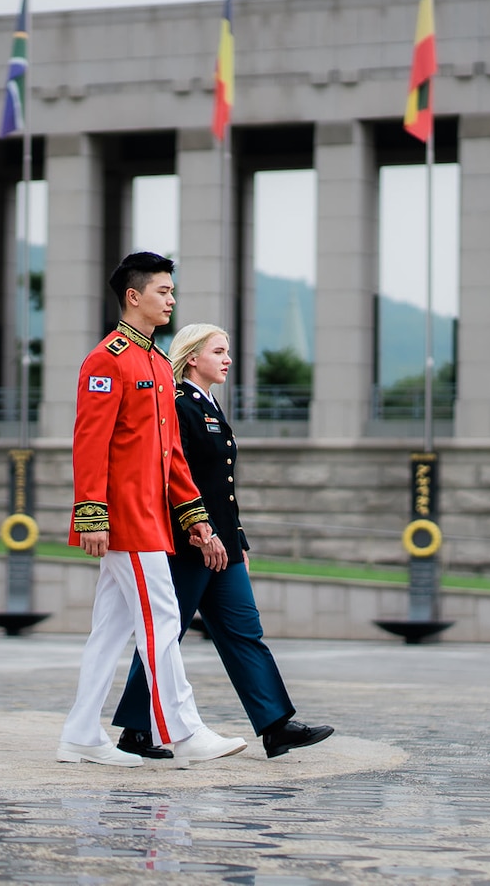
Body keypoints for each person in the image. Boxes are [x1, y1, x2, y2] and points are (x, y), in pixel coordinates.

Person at [111, 324, 335, 760]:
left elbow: (222, 487)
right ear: (193, 357)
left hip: (223, 545)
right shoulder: (178, 405)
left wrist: (238, 540)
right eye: (219, 351)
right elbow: (175, 480)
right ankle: (136, 730)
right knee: (166, 633)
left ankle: (276, 726)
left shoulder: (209, 406)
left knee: (244, 631)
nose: (227, 359)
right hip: (189, 542)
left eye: (228, 351)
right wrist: (203, 531)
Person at [57, 252, 246, 768]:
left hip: (152, 517)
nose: (171, 299)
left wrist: (194, 514)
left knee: (111, 629)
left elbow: (172, 455)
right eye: (163, 291)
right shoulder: (107, 359)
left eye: (172, 290)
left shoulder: (158, 364)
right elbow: (89, 443)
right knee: (162, 617)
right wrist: (92, 514)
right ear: (133, 296)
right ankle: (184, 733)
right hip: (124, 519)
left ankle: (79, 733)